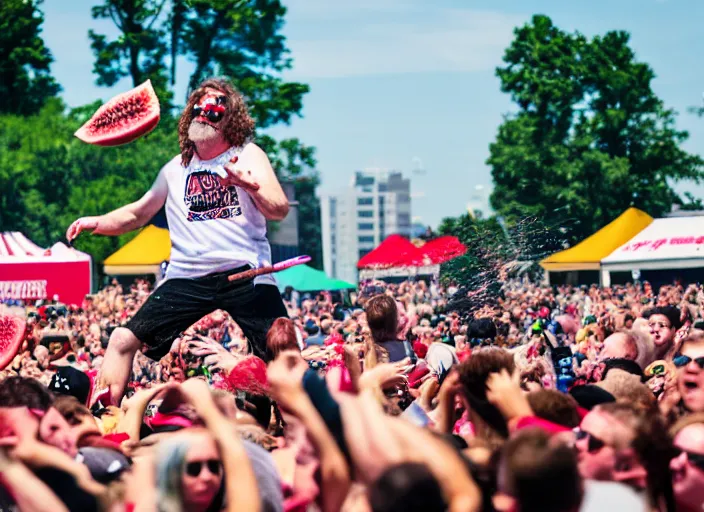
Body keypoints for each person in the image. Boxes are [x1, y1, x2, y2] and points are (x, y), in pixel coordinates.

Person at [66, 78, 290, 405]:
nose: (203, 114)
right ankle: (108, 423)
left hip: (246, 271)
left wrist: (251, 186)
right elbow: (137, 214)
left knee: (282, 354)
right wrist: (97, 222)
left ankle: (293, 429)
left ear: (231, 118)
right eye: (197, 107)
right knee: (121, 340)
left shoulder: (248, 155)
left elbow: (279, 209)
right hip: (187, 277)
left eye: (214, 109)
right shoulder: (174, 169)